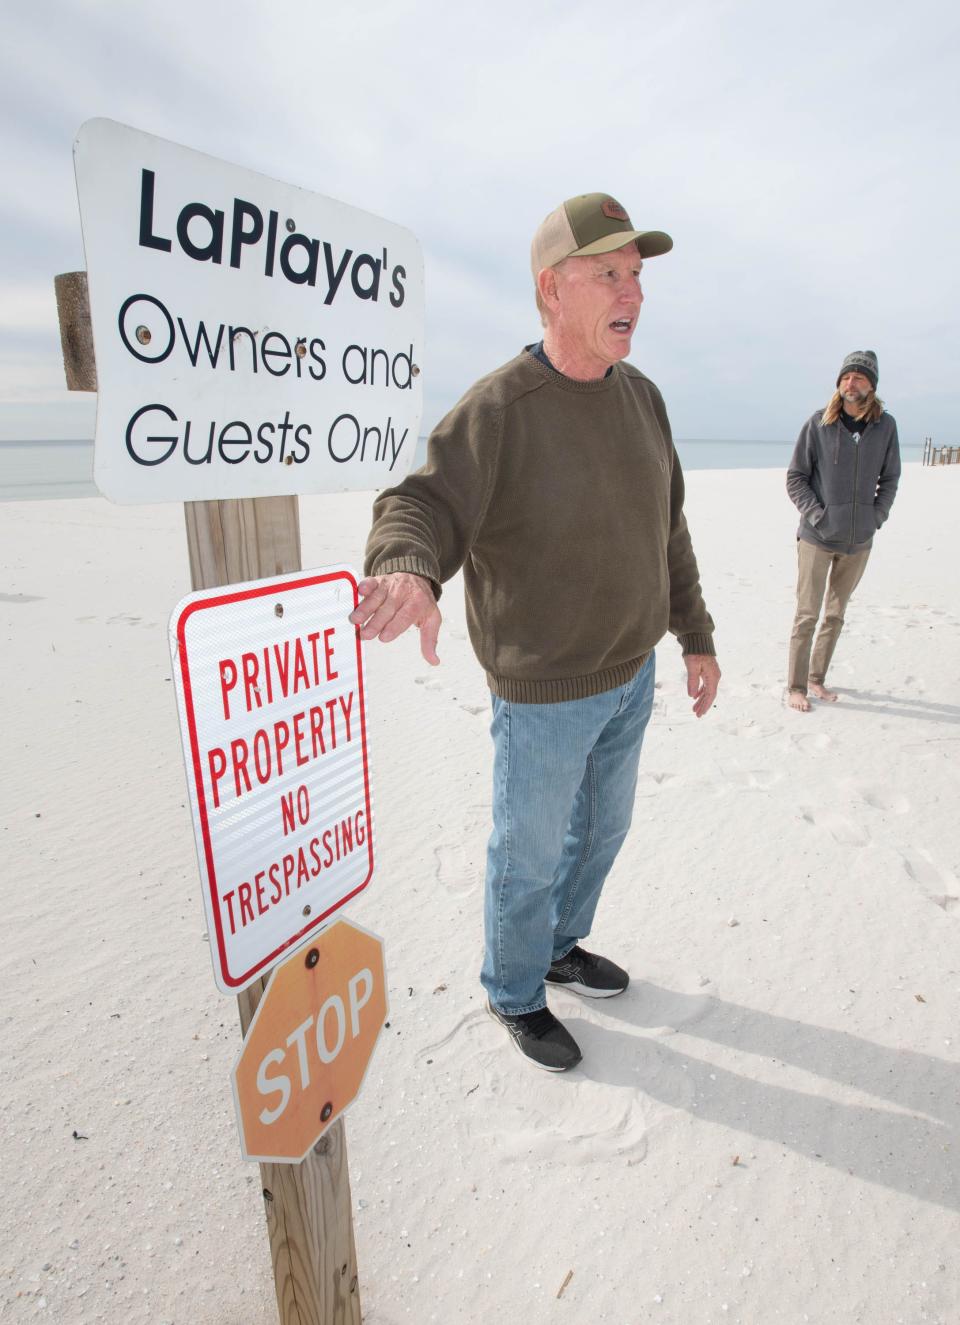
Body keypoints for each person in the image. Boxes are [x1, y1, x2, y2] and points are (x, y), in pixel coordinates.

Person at [350, 192, 719, 1071]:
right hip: (545, 692)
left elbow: (667, 525)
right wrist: (408, 563)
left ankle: (560, 945)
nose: (631, 291)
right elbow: (419, 502)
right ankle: (514, 988)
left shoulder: (647, 400)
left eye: (636, 274)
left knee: (602, 833)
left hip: (631, 674)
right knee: (526, 854)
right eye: (608, 274)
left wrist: (694, 633)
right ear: (553, 289)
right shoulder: (501, 408)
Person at [785, 351, 901, 712]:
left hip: (859, 541)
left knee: (835, 614)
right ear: (839, 384)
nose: (851, 383)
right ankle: (796, 687)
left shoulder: (886, 427)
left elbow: (891, 478)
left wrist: (875, 517)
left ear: (872, 386)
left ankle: (817, 679)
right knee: (807, 615)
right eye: (846, 377)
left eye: (859, 378)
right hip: (817, 538)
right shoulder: (819, 424)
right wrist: (819, 516)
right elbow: (796, 478)